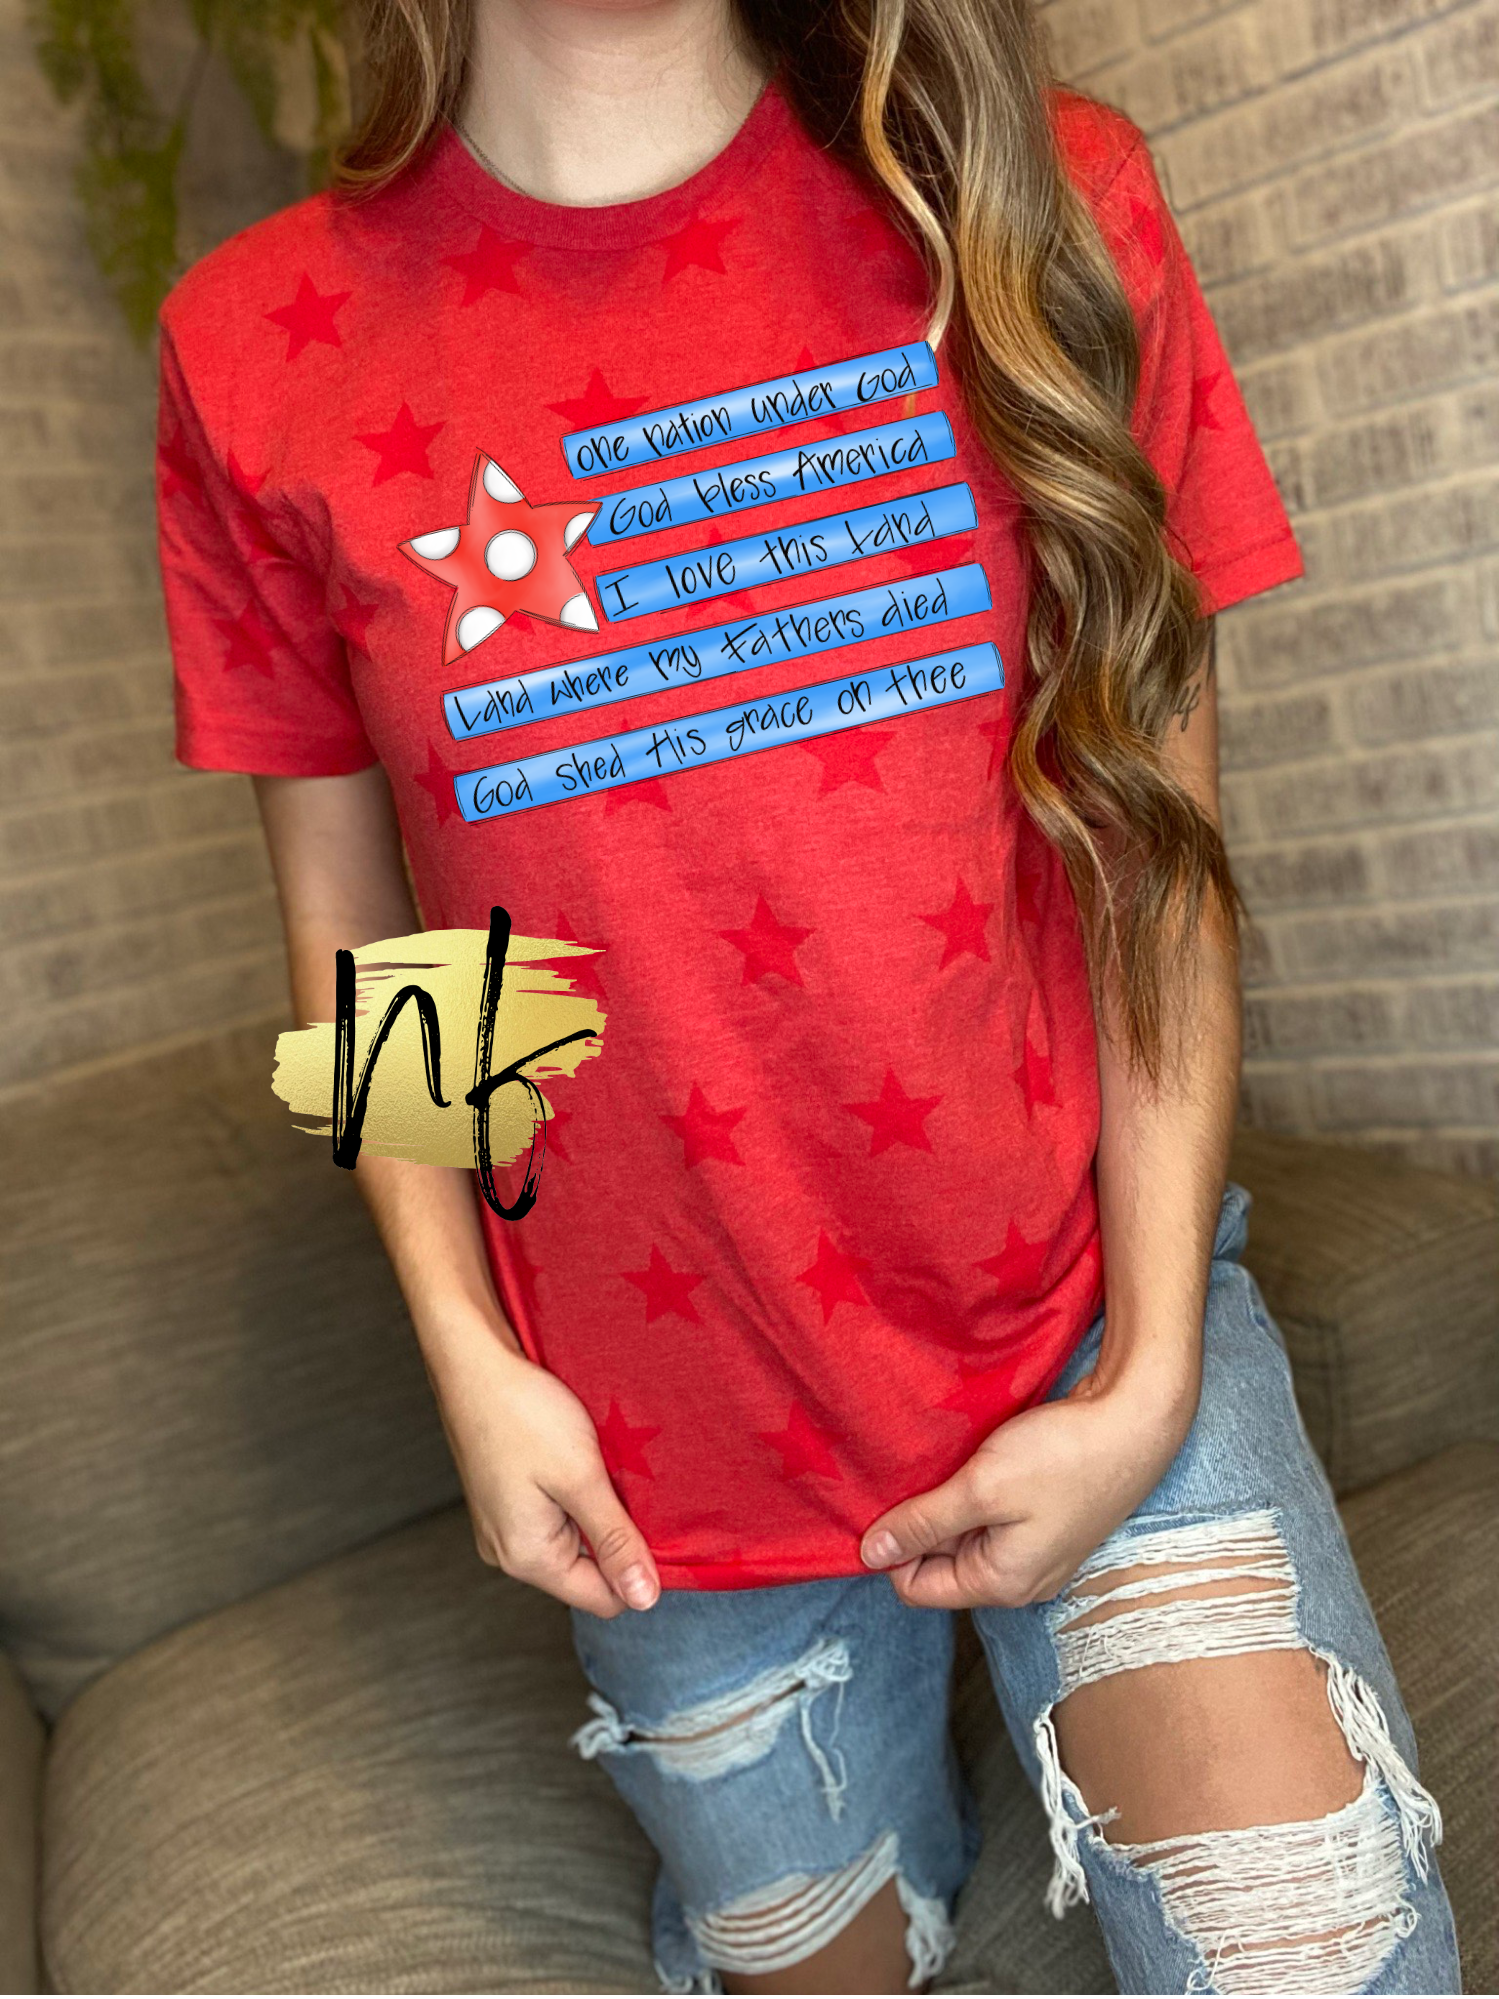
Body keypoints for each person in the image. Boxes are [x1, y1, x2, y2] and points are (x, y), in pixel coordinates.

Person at [155, 1, 1461, 1991]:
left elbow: (1152, 859)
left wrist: (1150, 1376)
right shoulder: (253, 345)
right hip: (653, 1454)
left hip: (1087, 1326)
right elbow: (376, 930)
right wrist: (465, 1348)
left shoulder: (1051, 203)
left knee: (1317, 1950)